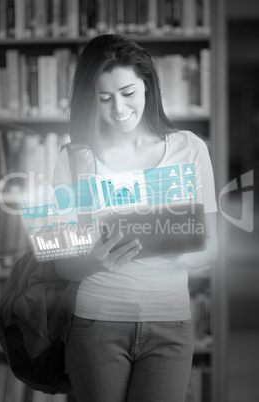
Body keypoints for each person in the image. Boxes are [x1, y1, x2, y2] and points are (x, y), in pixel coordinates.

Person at [53, 34, 218, 402]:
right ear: (89, 100)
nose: (119, 108)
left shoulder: (189, 148)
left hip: (170, 322)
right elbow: (62, 265)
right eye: (104, 97)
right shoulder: (74, 157)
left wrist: (176, 248)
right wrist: (92, 261)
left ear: (148, 86)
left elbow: (211, 250)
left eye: (128, 92)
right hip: (97, 322)